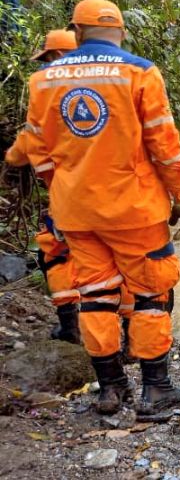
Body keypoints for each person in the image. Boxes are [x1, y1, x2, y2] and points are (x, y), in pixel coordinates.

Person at [21, 0, 180, 418]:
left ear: (76, 32)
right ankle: (156, 391)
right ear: (121, 32)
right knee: (152, 292)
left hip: (75, 212)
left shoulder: (43, 80)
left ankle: (110, 389)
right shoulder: (139, 72)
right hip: (135, 208)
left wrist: (65, 189)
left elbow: (38, 152)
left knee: (95, 294)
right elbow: (163, 144)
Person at [4, 29, 80, 343]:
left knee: (56, 254)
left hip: (69, 195)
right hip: (112, 193)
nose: (44, 66)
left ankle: (71, 327)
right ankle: (130, 339)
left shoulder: (48, 88)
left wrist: (13, 157)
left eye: (47, 58)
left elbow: (31, 140)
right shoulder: (105, 87)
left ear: (58, 56)